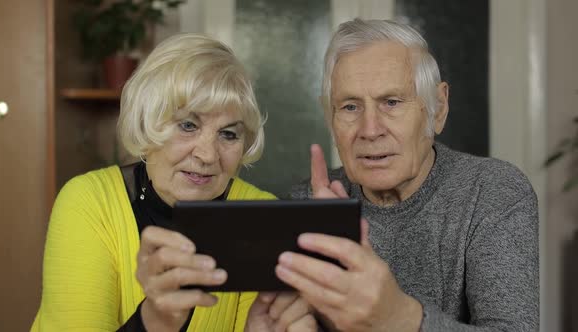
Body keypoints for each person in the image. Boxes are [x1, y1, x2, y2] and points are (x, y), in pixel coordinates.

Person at [31, 33, 316, 331]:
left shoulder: (259, 216)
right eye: (188, 125)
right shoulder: (90, 202)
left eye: (228, 134)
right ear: (146, 121)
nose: (207, 155)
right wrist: (153, 321)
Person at [281, 19, 539, 331]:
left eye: (391, 102)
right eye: (350, 107)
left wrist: (399, 316)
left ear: (438, 108)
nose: (370, 130)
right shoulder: (305, 205)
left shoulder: (492, 192)